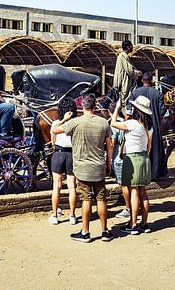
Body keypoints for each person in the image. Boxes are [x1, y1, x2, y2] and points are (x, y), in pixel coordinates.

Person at [54, 93, 114, 243]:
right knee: (101, 199)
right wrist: (108, 163)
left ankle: (85, 231)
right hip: (99, 166)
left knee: (86, 199)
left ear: (82, 106)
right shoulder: (103, 123)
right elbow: (110, 145)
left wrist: (65, 119)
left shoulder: (76, 122)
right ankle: (105, 231)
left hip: (82, 167)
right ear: (95, 106)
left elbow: (55, 130)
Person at [110, 95, 153, 234]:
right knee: (143, 192)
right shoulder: (148, 126)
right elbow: (149, 147)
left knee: (134, 191)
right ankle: (144, 223)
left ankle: (133, 224)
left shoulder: (131, 124)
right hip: (144, 158)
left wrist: (116, 109)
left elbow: (113, 123)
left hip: (132, 158)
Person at [131, 71, 167, 180]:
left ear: (142, 80)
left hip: (138, 126)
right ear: (151, 81)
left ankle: (140, 173)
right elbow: (162, 112)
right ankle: (154, 174)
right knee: (155, 150)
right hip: (154, 126)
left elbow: (129, 111)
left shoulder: (135, 93)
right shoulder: (157, 94)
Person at [48, 98, 78, 225]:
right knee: (72, 187)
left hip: (58, 154)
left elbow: (53, 142)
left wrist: (63, 119)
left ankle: (55, 215)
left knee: (57, 186)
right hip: (71, 154)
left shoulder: (56, 123)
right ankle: (72, 215)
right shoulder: (76, 123)